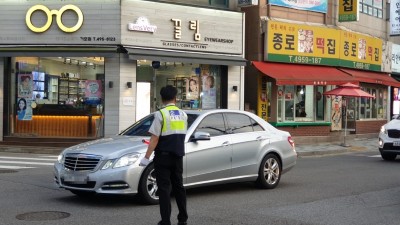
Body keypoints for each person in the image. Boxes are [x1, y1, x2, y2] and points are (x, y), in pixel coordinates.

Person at [140, 85, 188, 225]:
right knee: (179, 187)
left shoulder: (160, 114)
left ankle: (166, 221)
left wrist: (146, 157)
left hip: (163, 157)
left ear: (162, 98)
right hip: (178, 156)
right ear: (175, 98)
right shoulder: (183, 114)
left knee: (164, 189)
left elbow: (155, 138)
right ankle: (183, 219)